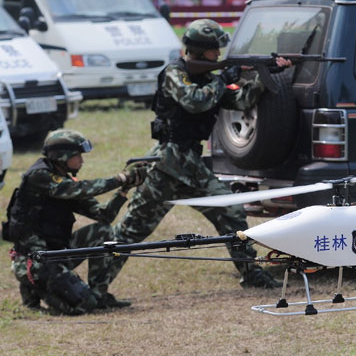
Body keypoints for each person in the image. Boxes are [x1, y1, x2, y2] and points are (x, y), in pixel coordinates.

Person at [104, 19, 291, 290]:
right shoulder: (175, 73)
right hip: (168, 165)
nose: (219, 54)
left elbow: (241, 100)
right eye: (215, 49)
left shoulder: (209, 78)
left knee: (232, 212)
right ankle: (95, 287)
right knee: (131, 230)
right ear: (201, 51)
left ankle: (250, 273)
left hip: (190, 166)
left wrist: (265, 75)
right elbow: (194, 101)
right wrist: (224, 78)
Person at [4, 129, 146, 315]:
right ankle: (37, 288)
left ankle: (99, 294)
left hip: (57, 253)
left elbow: (103, 216)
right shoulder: (40, 176)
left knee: (102, 231)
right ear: (62, 156)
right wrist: (120, 178)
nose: (82, 160)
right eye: (78, 155)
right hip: (36, 261)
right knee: (83, 306)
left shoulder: (65, 181)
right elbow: (76, 189)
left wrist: (124, 190)